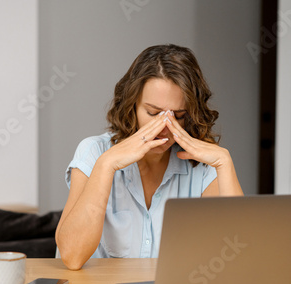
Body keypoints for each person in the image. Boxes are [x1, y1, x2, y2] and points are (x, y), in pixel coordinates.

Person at [55, 44, 243, 270]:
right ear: (131, 105)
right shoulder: (94, 152)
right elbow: (72, 257)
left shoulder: (203, 167)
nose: (164, 127)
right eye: (153, 113)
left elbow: (236, 261)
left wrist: (224, 162)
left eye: (179, 116)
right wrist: (106, 165)